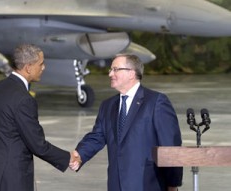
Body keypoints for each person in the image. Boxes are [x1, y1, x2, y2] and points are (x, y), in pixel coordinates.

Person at [70, 54, 183, 191]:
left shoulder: (156, 102)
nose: (110, 74)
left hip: (147, 183)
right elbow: (97, 136)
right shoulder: (108, 105)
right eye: (111, 69)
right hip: (116, 184)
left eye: (115, 69)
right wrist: (80, 153)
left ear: (131, 73)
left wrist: (173, 183)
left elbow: (170, 145)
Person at [0, 44, 75, 191]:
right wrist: (68, 158)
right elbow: (37, 144)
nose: (44, 67)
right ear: (28, 67)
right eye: (41, 63)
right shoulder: (24, 99)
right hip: (11, 180)